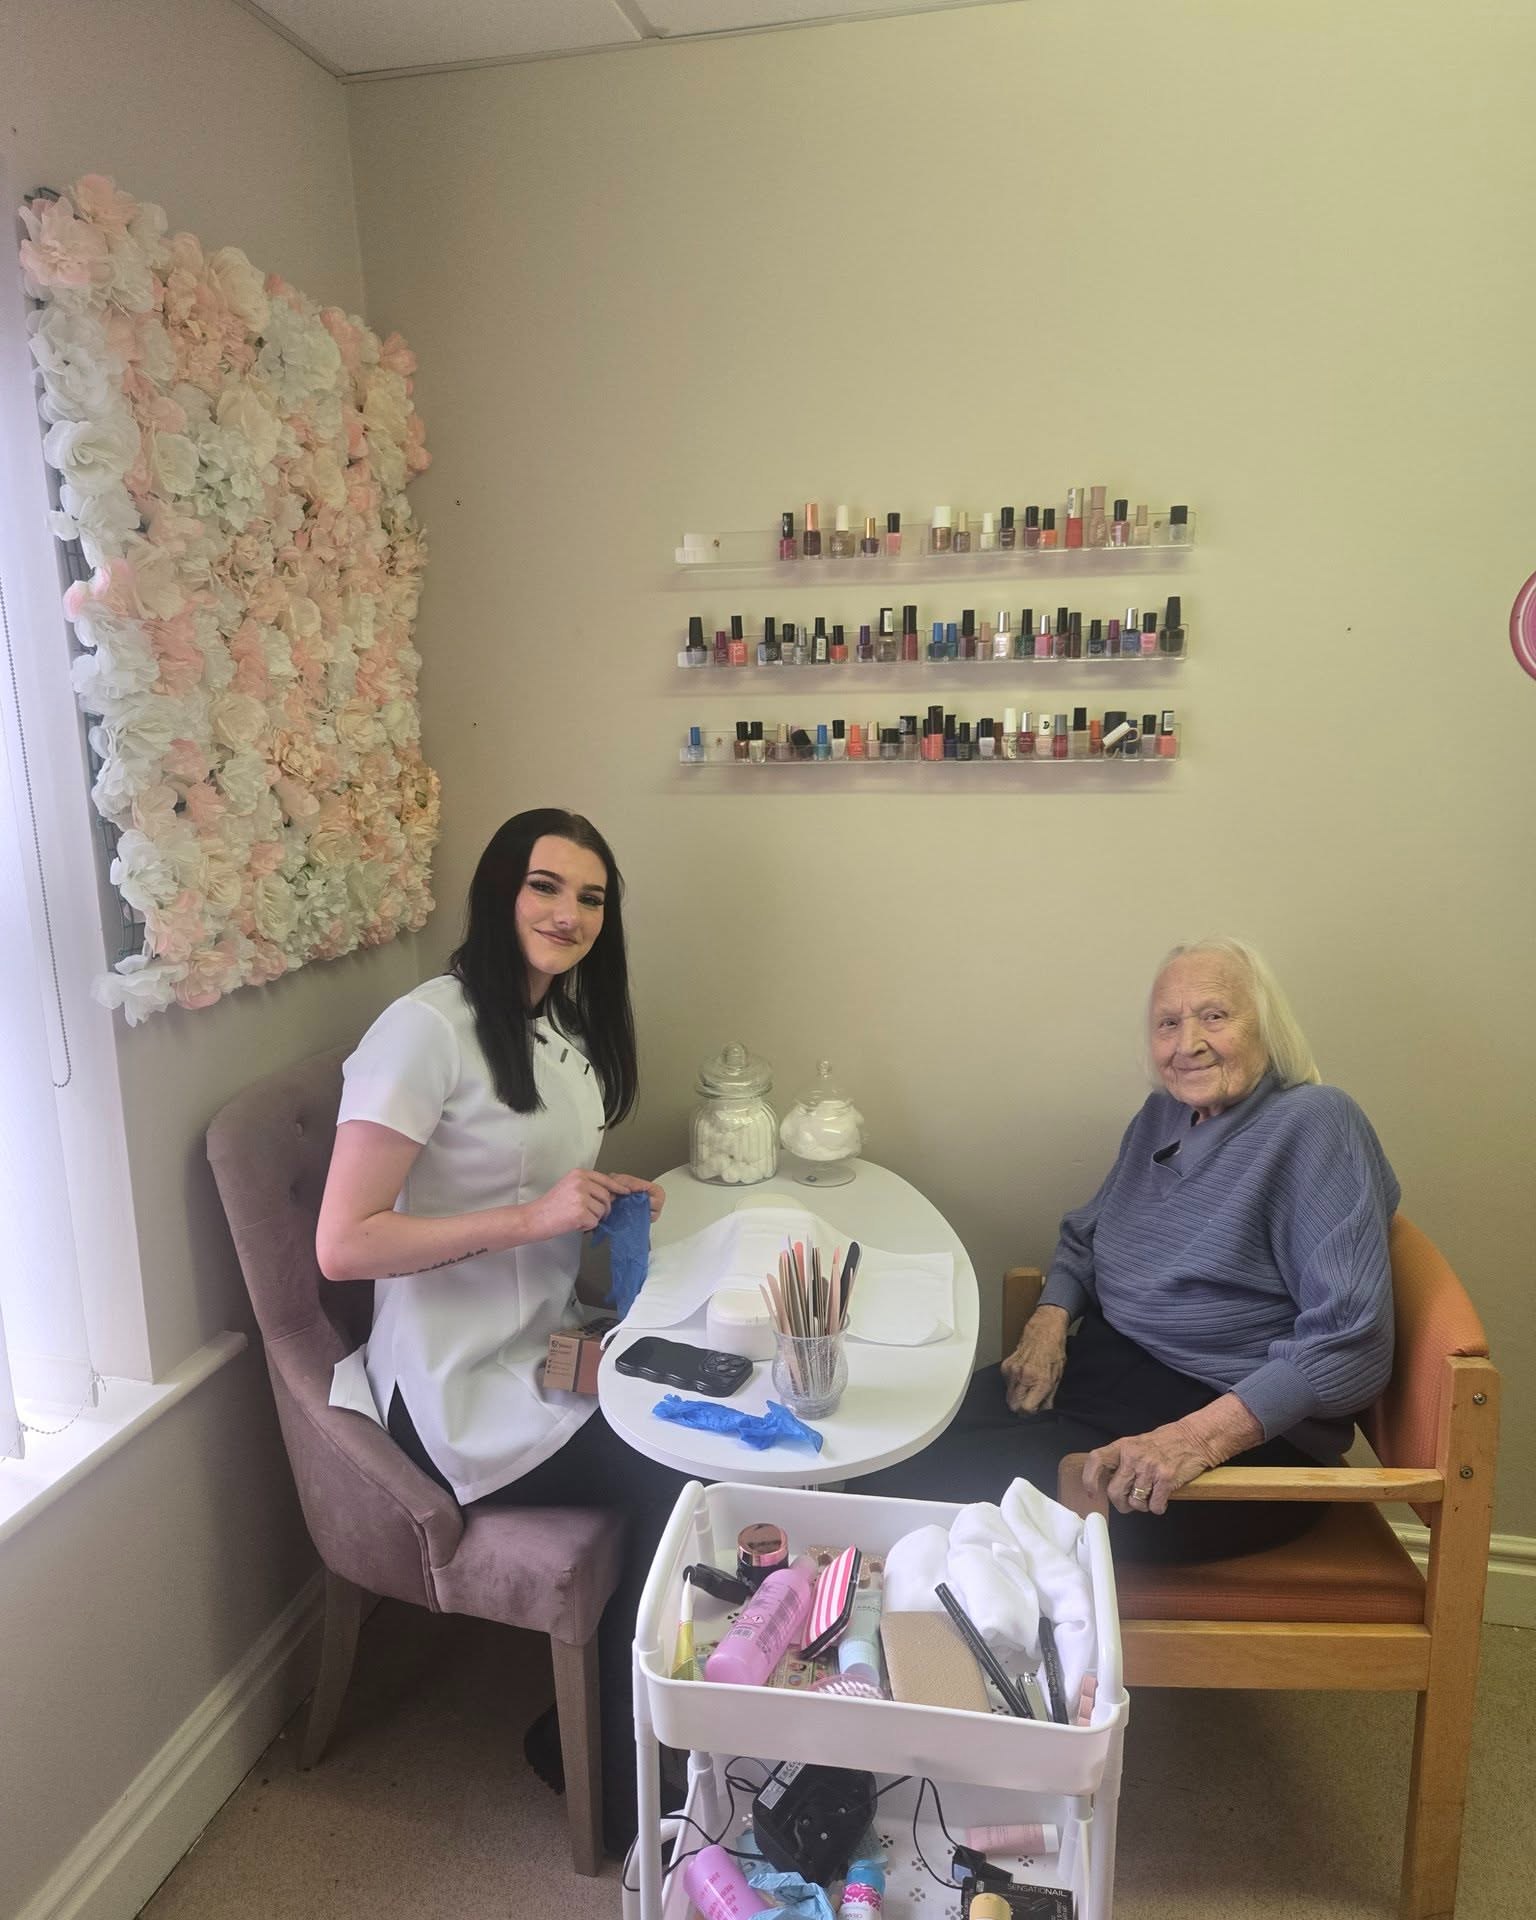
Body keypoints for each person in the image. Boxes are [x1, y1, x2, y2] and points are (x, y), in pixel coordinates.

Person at [317, 807, 688, 1855]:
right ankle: (618, 1780)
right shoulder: (422, 1031)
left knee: (702, 1400)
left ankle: (682, 1730)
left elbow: (531, 1179)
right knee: (678, 1472)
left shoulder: (558, 1027)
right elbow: (342, 1245)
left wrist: (595, 1198)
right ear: (497, 890)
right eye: (545, 885)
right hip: (453, 1394)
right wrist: (530, 1220)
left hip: (540, 1351)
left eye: (590, 897)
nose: (567, 913)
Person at [850, 938, 1399, 1563]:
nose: (1187, 1042)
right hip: (1103, 1374)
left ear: (1268, 1028)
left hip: (1228, 1425)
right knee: (893, 1448)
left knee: (900, 1501)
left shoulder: (1315, 1123)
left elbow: (1351, 1342)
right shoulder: (1163, 1116)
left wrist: (1192, 1440)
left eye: (1215, 1016)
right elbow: (1090, 1233)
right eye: (1168, 1023)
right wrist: (1050, 1319)